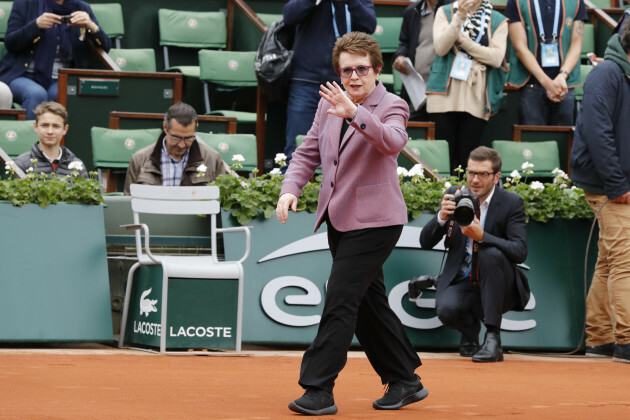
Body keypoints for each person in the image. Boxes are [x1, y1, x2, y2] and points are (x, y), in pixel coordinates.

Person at [276, 32, 427, 415]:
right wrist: (290, 189)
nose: (354, 76)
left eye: (362, 68)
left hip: (377, 221)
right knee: (366, 303)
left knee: (340, 296)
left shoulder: (392, 104)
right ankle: (405, 379)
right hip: (339, 217)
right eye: (347, 70)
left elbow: (393, 142)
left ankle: (318, 389)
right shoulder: (327, 103)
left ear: (377, 70)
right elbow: (307, 151)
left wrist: (356, 113)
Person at [420, 146, 530, 363]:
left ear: (496, 177)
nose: (475, 180)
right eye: (471, 172)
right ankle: (470, 333)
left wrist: (483, 237)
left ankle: (492, 338)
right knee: (447, 309)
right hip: (463, 279)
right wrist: (441, 217)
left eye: (483, 174)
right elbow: (425, 242)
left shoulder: (511, 202)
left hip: (499, 284)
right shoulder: (455, 194)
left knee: (490, 254)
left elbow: (520, 251)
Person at [569, 24, 630, 364]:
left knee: (609, 262)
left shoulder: (624, 72)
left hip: (618, 183)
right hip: (609, 187)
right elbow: (597, 132)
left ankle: (600, 338)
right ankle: (627, 340)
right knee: (626, 261)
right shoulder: (607, 73)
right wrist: (618, 184)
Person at [282, 0, 376, 165]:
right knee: (297, 149)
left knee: (344, 154)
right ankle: (290, 190)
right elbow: (289, 16)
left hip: (345, 84)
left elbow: (369, 24)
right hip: (306, 80)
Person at [426, 0, 509, 173]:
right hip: (444, 92)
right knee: (443, 156)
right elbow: (441, 47)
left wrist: (463, 41)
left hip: (476, 93)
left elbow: (495, 57)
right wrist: (459, 17)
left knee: (467, 157)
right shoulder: (445, 12)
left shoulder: (498, 19)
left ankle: (466, 198)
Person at [0, 0, 111, 120]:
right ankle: (29, 138)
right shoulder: (25, 3)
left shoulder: (82, 7)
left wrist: (92, 26)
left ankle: (57, 138)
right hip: (23, 74)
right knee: (36, 94)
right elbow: (11, 43)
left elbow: (105, 48)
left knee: (60, 94)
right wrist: (35, 25)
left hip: (61, 77)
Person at [505, 0, 587, 126]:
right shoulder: (516, 2)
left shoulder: (576, 2)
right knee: (533, 142)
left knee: (564, 141)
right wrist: (547, 83)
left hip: (564, 86)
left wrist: (562, 76)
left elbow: (576, 45)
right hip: (531, 85)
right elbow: (520, 48)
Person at [123, 103, 228, 195]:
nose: (181, 145)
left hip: (195, 218)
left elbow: (222, 202)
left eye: (188, 138)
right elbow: (129, 203)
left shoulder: (213, 159)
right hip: (151, 218)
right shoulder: (139, 159)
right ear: (165, 127)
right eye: (176, 137)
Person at [392, 0, 454, 121]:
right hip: (418, 90)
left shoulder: (453, 9)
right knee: (410, 132)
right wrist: (400, 55)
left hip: (443, 91)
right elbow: (404, 42)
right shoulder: (411, 11)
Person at [13, 101, 88, 178]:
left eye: (56, 126)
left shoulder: (77, 165)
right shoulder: (22, 163)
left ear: (65, 129)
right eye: (44, 125)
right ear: (36, 127)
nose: (50, 131)